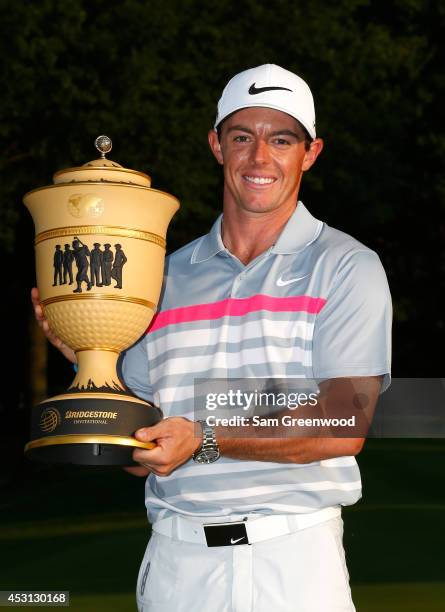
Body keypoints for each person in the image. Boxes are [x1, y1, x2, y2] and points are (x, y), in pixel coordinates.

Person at [32, 64, 392, 611]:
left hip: (292, 567)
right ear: (216, 145)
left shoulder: (346, 266)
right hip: (176, 566)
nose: (260, 158)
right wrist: (90, 359)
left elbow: (343, 423)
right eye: (242, 137)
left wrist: (204, 438)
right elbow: (146, 449)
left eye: (281, 139)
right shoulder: (159, 277)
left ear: (311, 152)